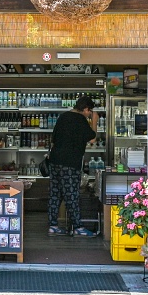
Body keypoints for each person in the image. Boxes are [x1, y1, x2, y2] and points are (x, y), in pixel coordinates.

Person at [46, 95, 98, 237]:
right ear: (86, 109)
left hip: (55, 161)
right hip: (69, 163)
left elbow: (53, 139)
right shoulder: (80, 120)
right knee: (72, 195)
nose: (89, 114)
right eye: (90, 112)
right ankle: (78, 228)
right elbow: (92, 138)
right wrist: (94, 121)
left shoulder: (63, 117)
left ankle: (53, 226)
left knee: (55, 194)